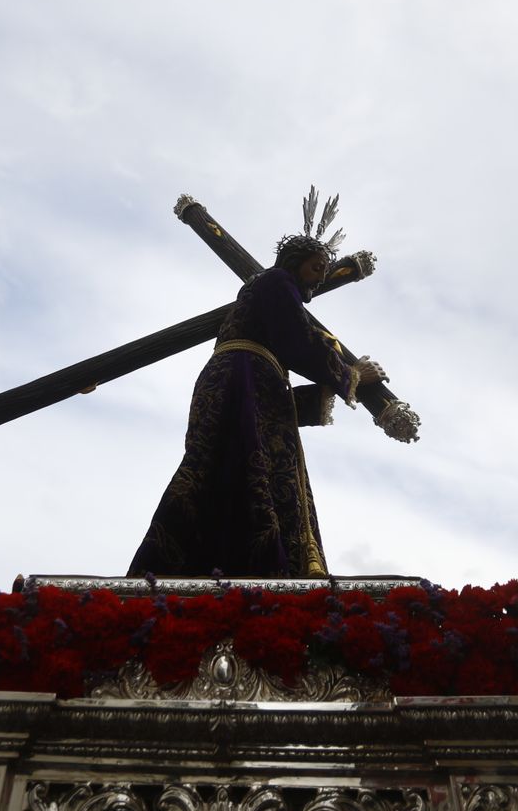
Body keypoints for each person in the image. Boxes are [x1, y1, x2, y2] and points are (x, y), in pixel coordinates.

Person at [127, 232, 384, 578]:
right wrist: (349, 375)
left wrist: (322, 393)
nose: (321, 277)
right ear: (295, 262)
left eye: (325, 271)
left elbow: (275, 402)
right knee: (253, 469)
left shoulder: (261, 312)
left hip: (242, 383)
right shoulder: (275, 282)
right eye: (316, 267)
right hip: (242, 379)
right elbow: (298, 342)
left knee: (227, 469)